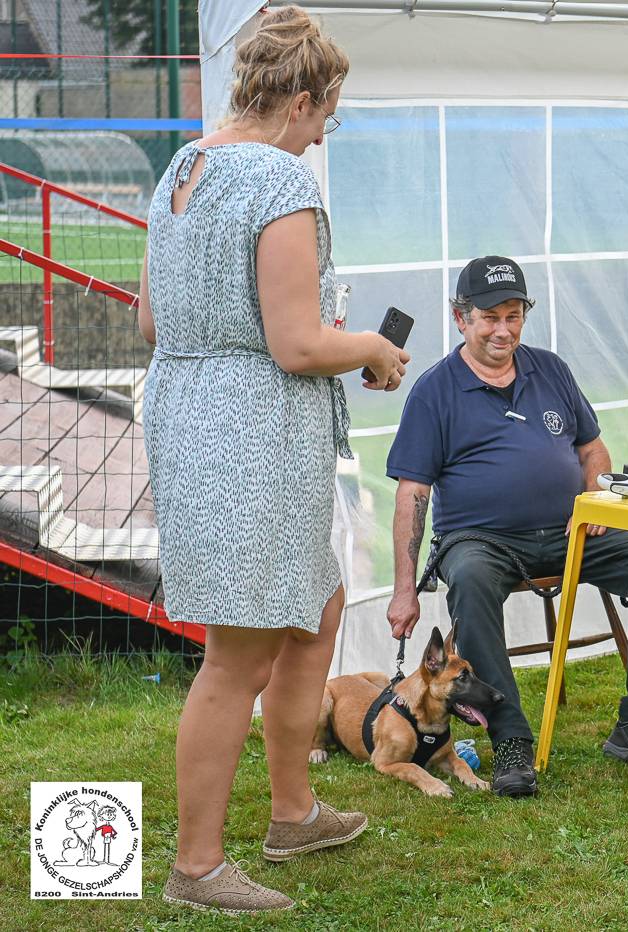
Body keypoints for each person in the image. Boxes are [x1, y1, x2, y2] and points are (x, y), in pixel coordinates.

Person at [140, 7, 409, 913]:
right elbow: (296, 345)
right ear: (300, 100)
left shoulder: (180, 167)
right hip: (253, 433)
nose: (325, 133)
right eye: (328, 116)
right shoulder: (281, 185)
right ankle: (198, 868)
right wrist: (369, 344)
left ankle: (292, 812)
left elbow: (151, 323)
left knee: (316, 609)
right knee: (236, 656)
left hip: (190, 414)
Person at [385, 255, 628, 799]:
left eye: (513, 316)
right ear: (459, 317)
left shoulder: (550, 369)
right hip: (480, 540)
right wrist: (402, 590)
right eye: (489, 317)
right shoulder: (434, 390)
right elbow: (412, 493)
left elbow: (592, 449)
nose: (502, 330)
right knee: (469, 578)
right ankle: (511, 741)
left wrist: (596, 500)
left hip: (570, 532)